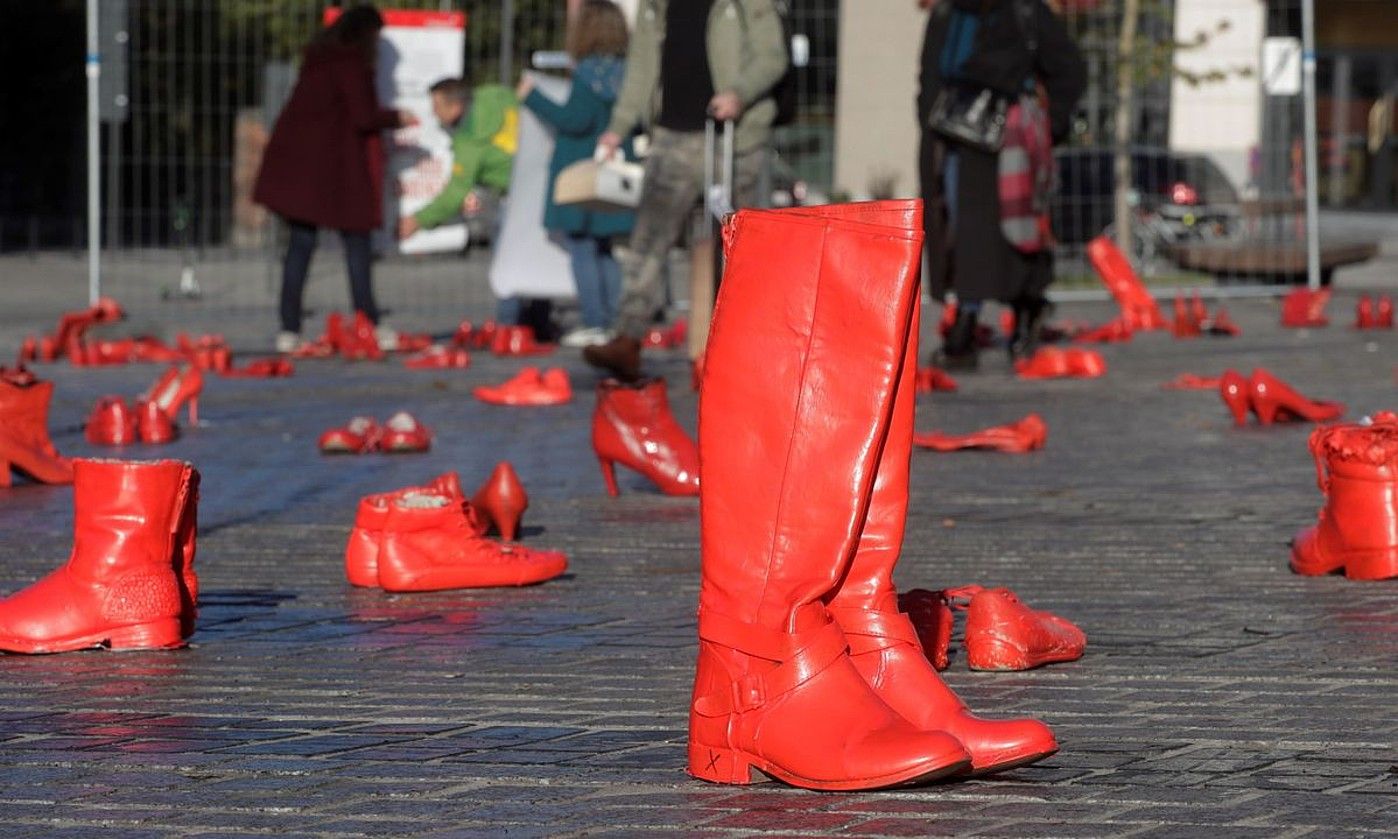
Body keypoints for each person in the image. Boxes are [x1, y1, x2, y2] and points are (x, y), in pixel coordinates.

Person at [581, 0, 789, 381]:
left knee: (741, 247)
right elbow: (642, 66)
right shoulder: (655, 6)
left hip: (732, 136)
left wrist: (739, 93)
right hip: (672, 135)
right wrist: (619, 126)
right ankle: (627, 338)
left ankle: (742, 348)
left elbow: (772, 55)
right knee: (648, 238)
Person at [917, 0, 1085, 369]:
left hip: (1009, 141)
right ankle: (966, 316)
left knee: (1015, 233)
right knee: (958, 233)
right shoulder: (947, 14)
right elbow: (929, 74)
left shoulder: (1024, 12)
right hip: (953, 137)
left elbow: (1068, 69)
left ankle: (1025, 308)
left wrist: (1047, 124)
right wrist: (928, 120)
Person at [254, 4, 418, 355]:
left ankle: (289, 327)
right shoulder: (352, 64)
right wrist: (396, 117)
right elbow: (363, 116)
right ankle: (368, 321)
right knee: (357, 245)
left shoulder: (319, 59)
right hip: (335, 170)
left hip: (299, 166)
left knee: (300, 246)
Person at [517, 0, 635, 349]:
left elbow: (574, 119)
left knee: (582, 248)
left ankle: (596, 322)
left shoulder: (586, 75)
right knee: (605, 249)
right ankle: (617, 320)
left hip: (580, 173)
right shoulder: (627, 72)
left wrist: (533, 97)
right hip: (611, 172)